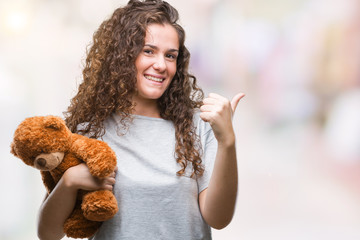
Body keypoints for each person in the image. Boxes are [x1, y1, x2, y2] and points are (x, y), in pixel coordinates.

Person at [37, 0, 244, 239]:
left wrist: (227, 141)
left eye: (170, 55)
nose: (161, 65)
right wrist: (69, 181)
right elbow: (48, 234)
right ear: (122, 55)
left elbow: (218, 219)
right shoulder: (88, 131)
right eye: (148, 51)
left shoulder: (198, 126)